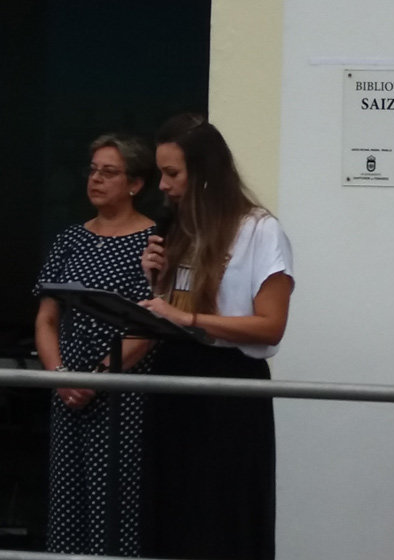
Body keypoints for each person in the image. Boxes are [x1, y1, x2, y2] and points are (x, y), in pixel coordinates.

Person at [138, 113, 294, 560]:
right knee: (173, 511)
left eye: (172, 174)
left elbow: (271, 324)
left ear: (205, 174)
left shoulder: (260, 231)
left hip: (228, 387)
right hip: (174, 378)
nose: (163, 186)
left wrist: (191, 321)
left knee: (221, 514)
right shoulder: (180, 231)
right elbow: (174, 309)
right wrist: (157, 284)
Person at [34, 133, 156, 556]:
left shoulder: (155, 242)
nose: (96, 179)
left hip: (122, 392)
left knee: (118, 498)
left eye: (109, 172)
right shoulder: (70, 238)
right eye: (92, 170)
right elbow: (47, 318)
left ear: (135, 184)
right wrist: (61, 378)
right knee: (69, 496)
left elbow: (151, 323)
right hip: (68, 389)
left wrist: (99, 377)